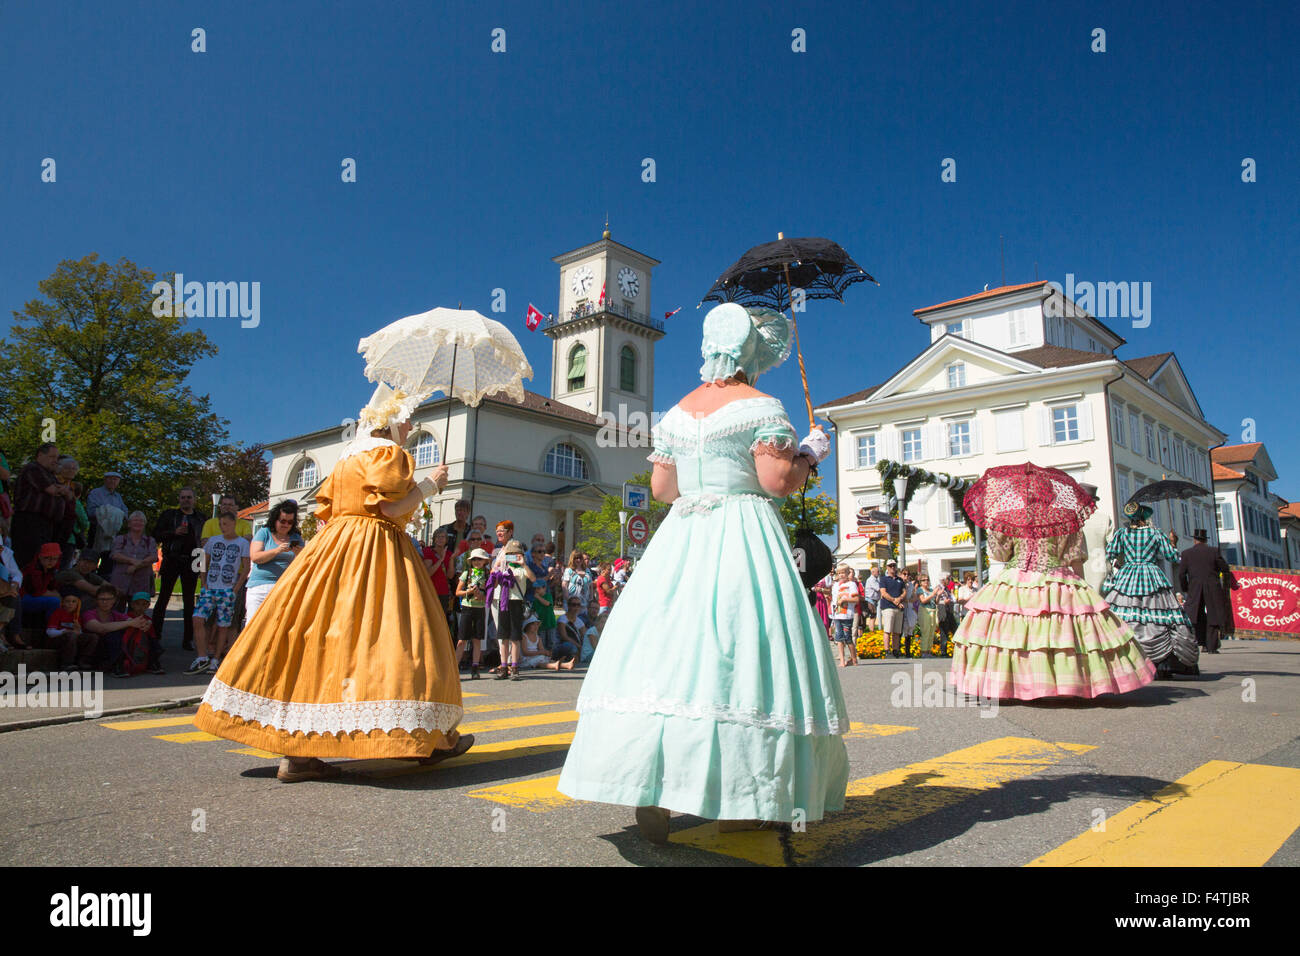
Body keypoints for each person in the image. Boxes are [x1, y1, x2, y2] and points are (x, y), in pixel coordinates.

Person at [558, 303, 847, 843]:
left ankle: (653, 787)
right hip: (741, 531)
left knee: (668, 651)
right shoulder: (762, 406)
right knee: (740, 653)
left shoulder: (676, 412)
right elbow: (776, 481)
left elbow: (664, 491)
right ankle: (739, 801)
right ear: (751, 355)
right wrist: (809, 453)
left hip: (682, 537)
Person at [194, 383, 472, 780]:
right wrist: (430, 486)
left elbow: (331, 509)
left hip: (331, 548)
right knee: (399, 636)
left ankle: (299, 755)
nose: (410, 425)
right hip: (375, 547)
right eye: (407, 417)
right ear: (390, 420)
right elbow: (390, 509)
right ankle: (420, 737)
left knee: (319, 640)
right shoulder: (388, 453)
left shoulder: (346, 457)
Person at [951, 466, 1155, 700]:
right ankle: (1067, 684)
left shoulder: (1011, 517)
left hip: (1015, 576)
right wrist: (1083, 591)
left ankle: (1009, 684)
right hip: (1055, 575)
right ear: (1051, 494)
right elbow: (1074, 557)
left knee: (1009, 636)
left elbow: (998, 555)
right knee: (1061, 634)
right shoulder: (1065, 517)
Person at [1102, 503, 1199, 679]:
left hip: (1128, 576)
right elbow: (1172, 556)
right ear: (1144, 517)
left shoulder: (1122, 534)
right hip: (1151, 575)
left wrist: (1119, 564)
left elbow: (1110, 554)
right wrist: (1173, 543)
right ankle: (1163, 663)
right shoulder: (1155, 534)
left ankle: (1127, 659)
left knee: (1127, 613)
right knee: (1160, 614)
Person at [185, 512, 251, 675]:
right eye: (221, 524)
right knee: (197, 618)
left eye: (226, 524)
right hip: (211, 587)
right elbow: (203, 561)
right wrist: (204, 583)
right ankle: (202, 656)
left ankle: (215, 659)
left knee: (223, 625)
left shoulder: (242, 543)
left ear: (234, 524)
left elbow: (246, 566)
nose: (223, 527)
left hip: (227, 589)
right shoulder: (213, 541)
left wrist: (236, 588)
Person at [152, 488, 207, 651]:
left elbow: (204, 541)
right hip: (172, 559)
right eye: (183, 497)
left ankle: (188, 639)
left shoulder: (200, 518)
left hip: (192, 560)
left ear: (194, 499)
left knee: (190, 601)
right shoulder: (170, 515)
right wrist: (173, 532)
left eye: (189, 497)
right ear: (179, 499)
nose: (186, 500)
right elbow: (156, 534)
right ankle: (156, 635)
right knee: (163, 598)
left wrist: (202, 565)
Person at [10, 443, 71, 570]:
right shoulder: (33, 469)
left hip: (46, 524)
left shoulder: (50, 475)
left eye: (57, 458)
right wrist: (62, 490)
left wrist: (63, 490)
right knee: (29, 558)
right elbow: (52, 490)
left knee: (41, 560)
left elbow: (69, 494)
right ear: (40, 455)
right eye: (52, 457)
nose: (55, 461)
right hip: (29, 521)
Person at [1178, 529, 1236, 656]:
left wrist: (1186, 588)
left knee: (1196, 616)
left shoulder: (1187, 553)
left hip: (1195, 587)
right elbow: (1224, 568)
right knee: (1213, 615)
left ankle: (1202, 642)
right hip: (1212, 587)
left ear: (1195, 540)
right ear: (1206, 540)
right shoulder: (1214, 551)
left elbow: (1182, 574)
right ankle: (1212, 646)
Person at [246, 502, 304, 623]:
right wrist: (277, 550)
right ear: (275, 519)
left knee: (275, 627)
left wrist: (299, 553)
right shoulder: (264, 532)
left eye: (290, 522)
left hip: (283, 587)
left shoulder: (296, 537)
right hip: (259, 587)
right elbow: (255, 557)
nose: (286, 525)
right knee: (254, 624)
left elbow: (303, 563)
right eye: (282, 521)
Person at [488, 539, 533, 680]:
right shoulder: (504, 568)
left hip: (516, 603)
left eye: (516, 554)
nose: (513, 556)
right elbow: (493, 583)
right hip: (503, 602)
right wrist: (497, 565)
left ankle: (514, 666)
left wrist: (523, 563)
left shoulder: (521, 569)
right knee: (503, 636)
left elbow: (532, 577)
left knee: (515, 637)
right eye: (511, 554)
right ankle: (503, 665)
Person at [82, 584, 151, 678]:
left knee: (132, 631)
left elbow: (134, 622)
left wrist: (146, 623)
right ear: (96, 600)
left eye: (109, 599)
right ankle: (117, 665)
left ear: (114, 601)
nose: (105, 602)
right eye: (102, 599)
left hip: (110, 650)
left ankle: (147, 661)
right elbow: (99, 628)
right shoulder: (89, 614)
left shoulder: (116, 614)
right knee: (114, 633)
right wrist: (129, 623)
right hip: (93, 650)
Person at [454, 548, 491, 678]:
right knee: (462, 639)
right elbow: (457, 592)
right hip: (467, 607)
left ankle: (475, 666)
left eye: (479, 559)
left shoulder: (487, 574)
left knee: (477, 638)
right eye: (474, 559)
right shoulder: (467, 573)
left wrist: (483, 595)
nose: (477, 562)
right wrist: (468, 592)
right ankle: (455, 666)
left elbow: (490, 593)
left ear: (485, 561)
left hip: (480, 608)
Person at [108, 512, 156, 605]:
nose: (138, 523)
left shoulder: (150, 541)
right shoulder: (120, 539)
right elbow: (115, 554)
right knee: (116, 609)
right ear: (129, 524)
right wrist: (132, 561)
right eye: (135, 520)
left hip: (141, 581)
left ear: (144, 524)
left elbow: (153, 557)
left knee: (137, 611)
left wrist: (136, 566)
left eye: (141, 521)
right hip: (121, 580)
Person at [19, 542, 64, 637]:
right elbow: (38, 592)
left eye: (54, 558)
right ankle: (52, 630)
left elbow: (54, 587)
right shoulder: (34, 569)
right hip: (22, 598)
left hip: (34, 597)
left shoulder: (52, 570)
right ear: (40, 557)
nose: (51, 561)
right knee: (54, 602)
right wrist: (56, 595)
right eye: (47, 558)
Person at [121, 591, 165, 675]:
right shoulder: (127, 617)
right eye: (138, 604)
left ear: (148, 606)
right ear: (132, 605)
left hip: (143, 642)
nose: (140, 607)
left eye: (144, 604)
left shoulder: (148, 620)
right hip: (129, 641)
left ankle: (152, 663)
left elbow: (152, 635)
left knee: (155, 645)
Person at [420, 527, 455, 629]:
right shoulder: (428, 551)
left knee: (441, 620)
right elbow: (428, 573)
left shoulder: (449, 554)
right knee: (428, 619)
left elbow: (450, 575)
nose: (440, 539)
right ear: (434, 539)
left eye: (443, 537)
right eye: (438, 537)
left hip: (443, 592)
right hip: (430, 590)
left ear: (446, 540)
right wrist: (440, 560)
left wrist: (451, 559)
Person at [44, 594, 90, 670]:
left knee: (92, 637)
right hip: (55, 640)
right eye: (67, 601)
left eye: (74, 601)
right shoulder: (58, 613)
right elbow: (50, 632)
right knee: (71, 635)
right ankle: (67, 663)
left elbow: (78, 634)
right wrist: (64, 631)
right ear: (62, 603)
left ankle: (82, 662)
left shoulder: (77, 616)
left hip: (72, 640)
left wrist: (79, 630)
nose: (70, 604)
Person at [830, 565, 858, 667]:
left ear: (847, 574)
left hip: (847, 614)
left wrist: (845, 600)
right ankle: (842, 660)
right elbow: (834, 600)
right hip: (837, 615)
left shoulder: (852, 584)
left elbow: (856, 599)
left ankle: (854, 659)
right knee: (838, 638)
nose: (841, 575)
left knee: (848, 637)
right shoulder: (835, 585)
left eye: (843, 573)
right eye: (839, 573)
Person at [878, 560, 906, 657]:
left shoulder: (900, 580)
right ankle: (887, 650)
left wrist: (900, 598)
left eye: (894, 565)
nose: (892, 567)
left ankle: (895, 649)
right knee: (888, 630)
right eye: (890, 566)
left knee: (897, 631)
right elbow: (883, 593)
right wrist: (895, 601)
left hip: (898, 608)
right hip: (888, 606)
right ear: (887, 567)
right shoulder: (884, 579)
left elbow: (904, 592)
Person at [917, 573, 940, 657]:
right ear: (920, 582)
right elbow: (923, 600)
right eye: (924, 580)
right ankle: (924, 651)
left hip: (933, 610)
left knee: (931, 631)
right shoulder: (920, 590)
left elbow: (936, 602)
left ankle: (929, 651)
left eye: (927, 579)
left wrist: (939, 595)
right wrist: (933, 594)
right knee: (926, 631)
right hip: (924, 610)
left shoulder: (930, 589)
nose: (926, 581)